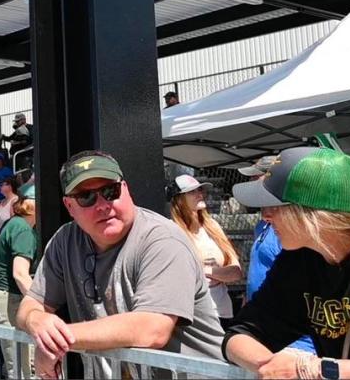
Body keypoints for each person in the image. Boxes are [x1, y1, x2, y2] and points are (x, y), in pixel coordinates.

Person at [16, 150, 224, 379]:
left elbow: (152, 329)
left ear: (125, 189)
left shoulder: (162, 239)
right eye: (86, 197)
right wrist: (37, 323)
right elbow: (31, 305)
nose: (103, 205)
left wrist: (56, 341)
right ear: (69, 206)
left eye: (110, 191)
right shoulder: (65, 241)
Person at [224, 147, 350, 379]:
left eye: (274, 206)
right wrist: (269, 367)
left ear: (314, 214)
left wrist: (316, 369)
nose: (265, 216)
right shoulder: (300, 259)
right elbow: (240, 334)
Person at [237, 155, 316, 354]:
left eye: (255, 177)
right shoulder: (263, 225)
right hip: (265, 323)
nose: (251, 182)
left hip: (297, 341)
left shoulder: (294, 234)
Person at [166, 174, 242, 328]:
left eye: (200, 190)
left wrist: (205, 269)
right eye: (192, 192)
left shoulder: (213, 225)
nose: (200, 194)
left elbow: (236, 273)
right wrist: (218, 273)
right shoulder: (170, 231)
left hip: (223, 312)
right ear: (179, 199)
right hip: (193, 316)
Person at [0, 185, 37, 380]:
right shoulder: (23, 229)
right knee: (20, 365)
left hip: (4, 295)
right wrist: (40, 302)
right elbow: (20, 274)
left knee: (21, 361)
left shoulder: (12, 223)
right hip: (8, 297)